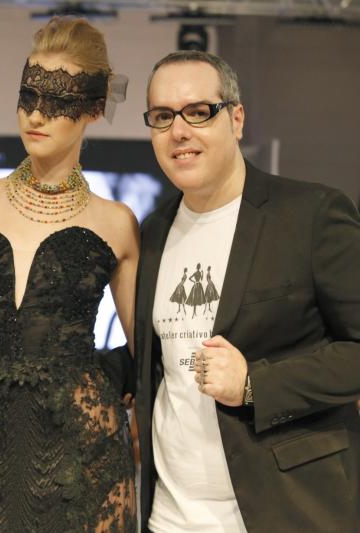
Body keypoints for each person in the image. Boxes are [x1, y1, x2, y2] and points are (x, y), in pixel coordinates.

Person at [0, 17, 139, 532]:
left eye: (59, 100)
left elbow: (147, 356)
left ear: (94, 109)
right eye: (29, 95)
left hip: (86, 456)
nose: (37, 114)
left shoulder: (117, 224)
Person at [134, 50, 360, 532]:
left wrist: (255, 385)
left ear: (236, 119)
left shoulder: (312, 215)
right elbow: (157, 362)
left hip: (285, 514)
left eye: (198, 112)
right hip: (169, 517)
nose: (179, 131)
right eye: (162, 116)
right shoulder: (153, 232)